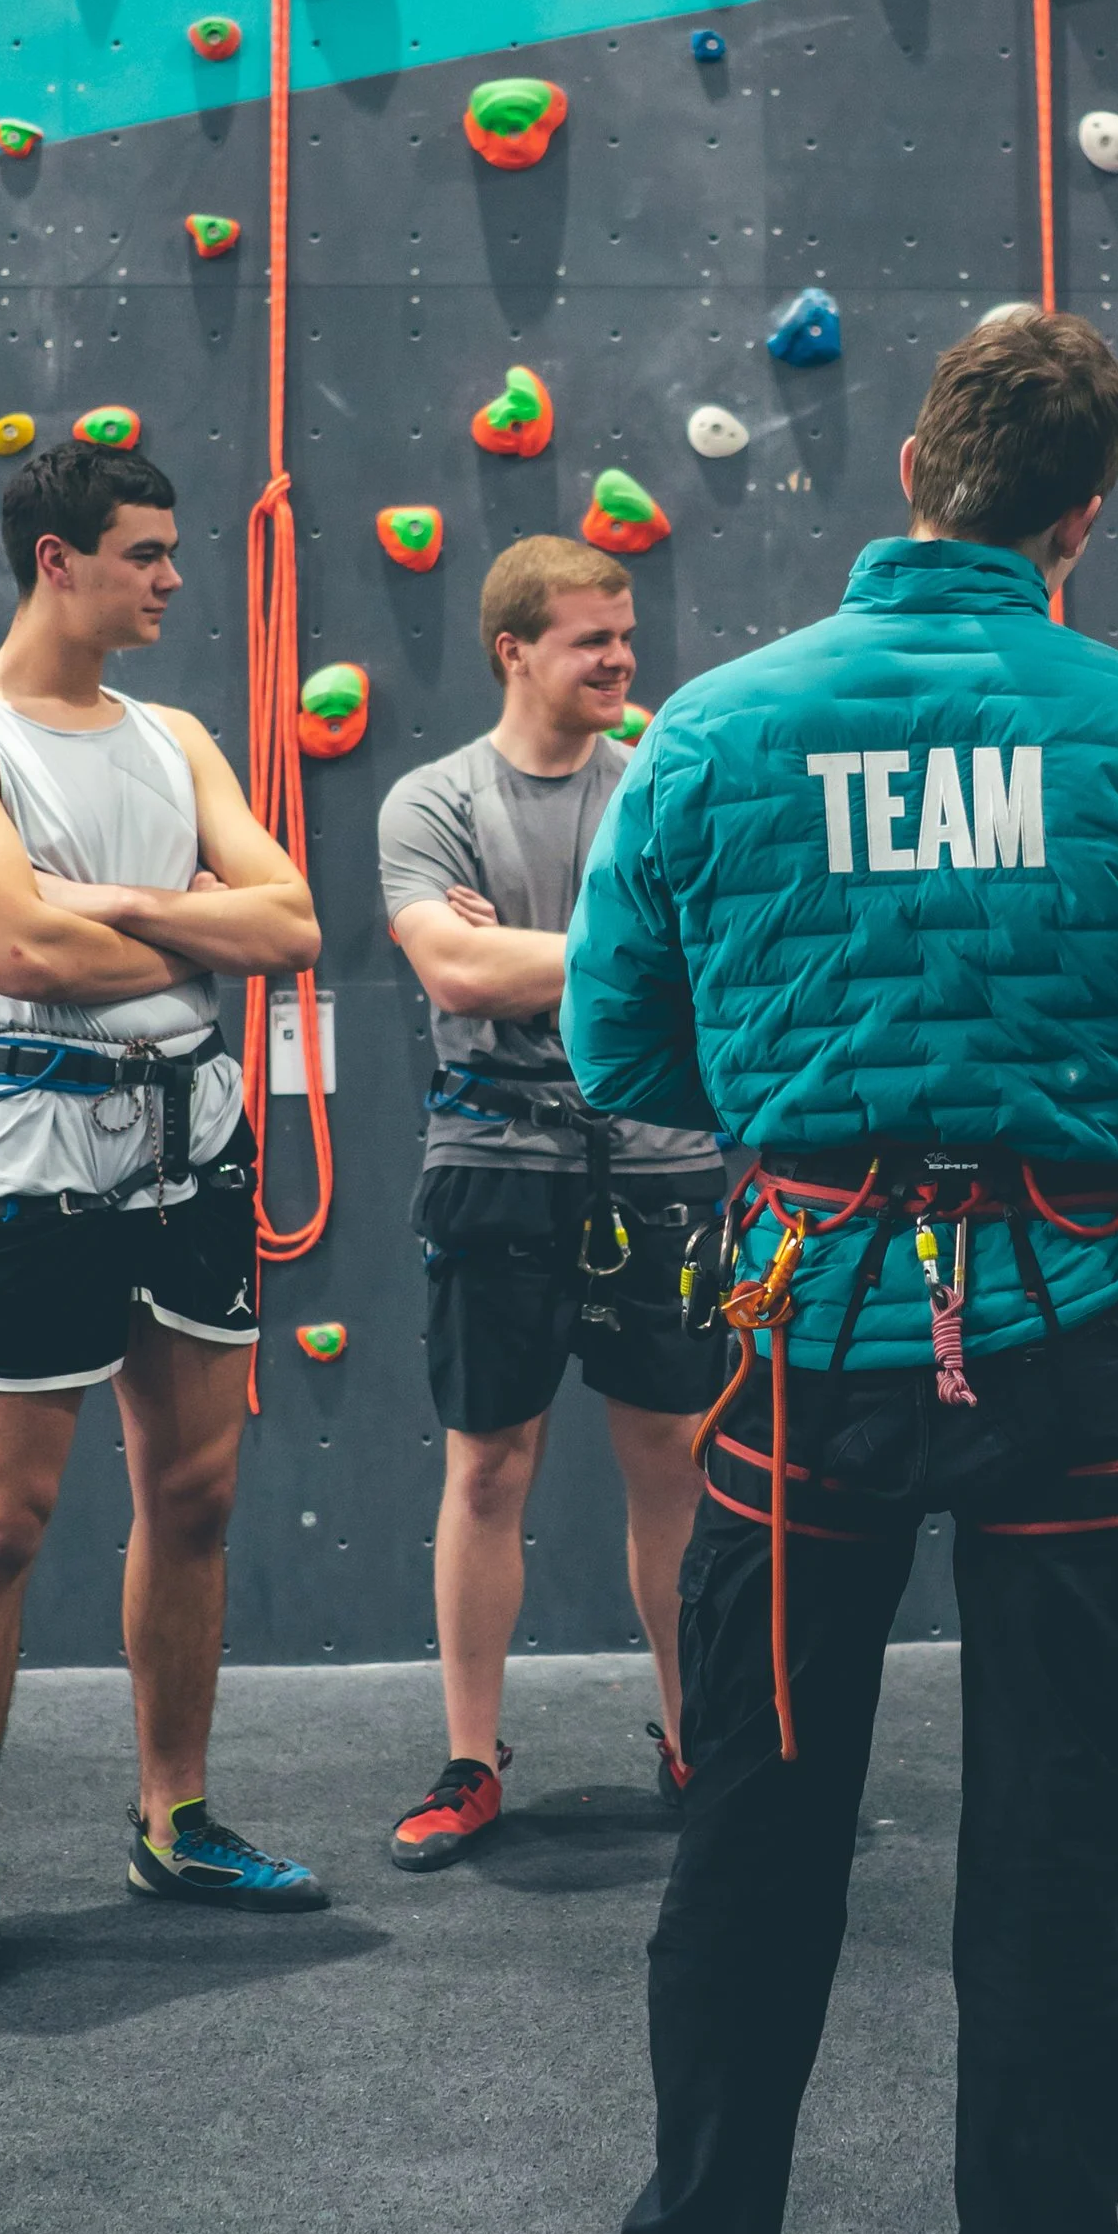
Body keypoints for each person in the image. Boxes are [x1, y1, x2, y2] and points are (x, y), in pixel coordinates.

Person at [562, 310, 1118, 2234]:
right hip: (1066, 1346)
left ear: (911, 467)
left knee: (753, 1823)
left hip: (800, 1343)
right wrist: (1097, 1093)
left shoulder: (715, 737)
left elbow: (618, 1053)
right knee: (1040, 1847)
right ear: (1079, 517)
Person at [0, 438, 331, 1999]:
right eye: (144, 551)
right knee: (0, 1523)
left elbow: (296, 923)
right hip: (32, 1155)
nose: (172, 576)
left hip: (191, 1151)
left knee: (194, 1496)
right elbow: (17, 952)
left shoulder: (178, 735)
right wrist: (184, 932)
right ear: (55, 560)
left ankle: (176, 1818)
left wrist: (123, 910)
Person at [376, 536, 726, 1866]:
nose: (622, 660)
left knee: (676, 1466)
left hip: (657, 1165)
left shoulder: (661, 794)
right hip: (494, 1167)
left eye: (625, 637)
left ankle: (697, 1734)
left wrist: (536, 958)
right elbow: (456, 973)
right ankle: (471, 1759)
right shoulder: (431, 800)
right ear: (514, 647)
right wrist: (619, 956)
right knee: (486, 1466)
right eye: (593, 638)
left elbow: (713, 964)